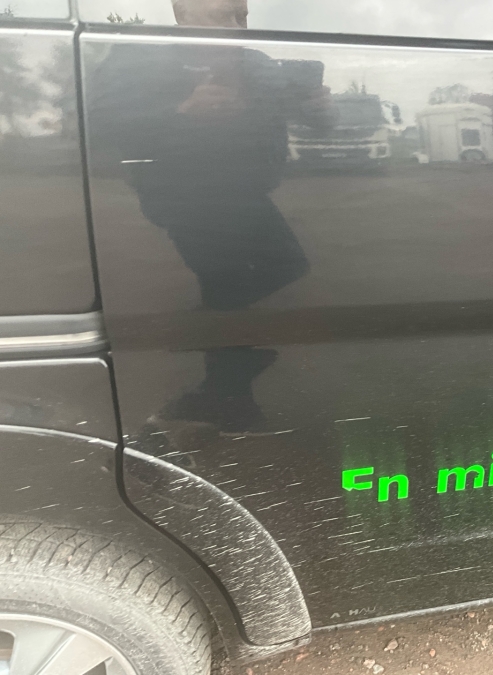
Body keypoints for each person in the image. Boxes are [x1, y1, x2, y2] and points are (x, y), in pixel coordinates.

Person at [90, 0, 333, 433]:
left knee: (286, 267)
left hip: (246, 194)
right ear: (183, 13)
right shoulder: (137, 60)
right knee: (228, 288)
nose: (239, 25)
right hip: (185, 196)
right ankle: (223, 382)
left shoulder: (258, 64)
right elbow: (98, 125)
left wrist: (322, 111)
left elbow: (315, 123)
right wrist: (182, 112)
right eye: (225, 14)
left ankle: (222, 369)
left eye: (243, 15)